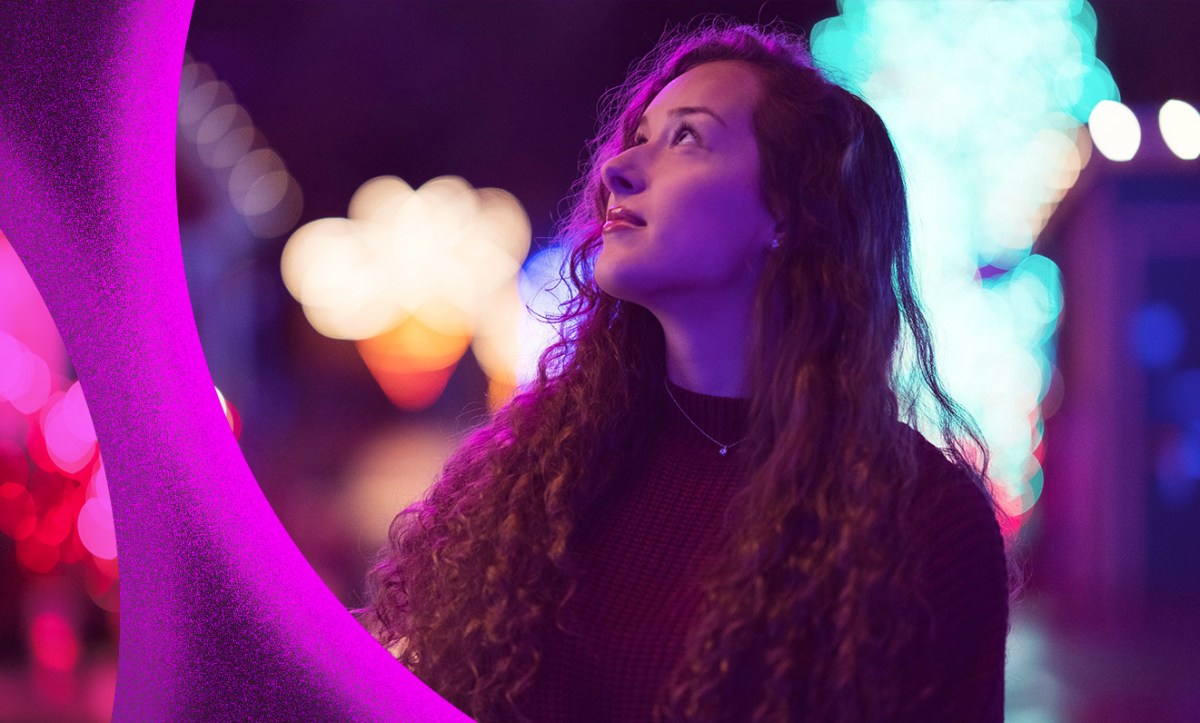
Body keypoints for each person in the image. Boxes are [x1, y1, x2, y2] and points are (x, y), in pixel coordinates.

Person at [354, 17, 1021, 723]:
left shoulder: (925, 520)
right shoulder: (534, 483)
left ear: (790, 212)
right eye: (639, 136)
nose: (617, 169)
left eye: (686, 137)